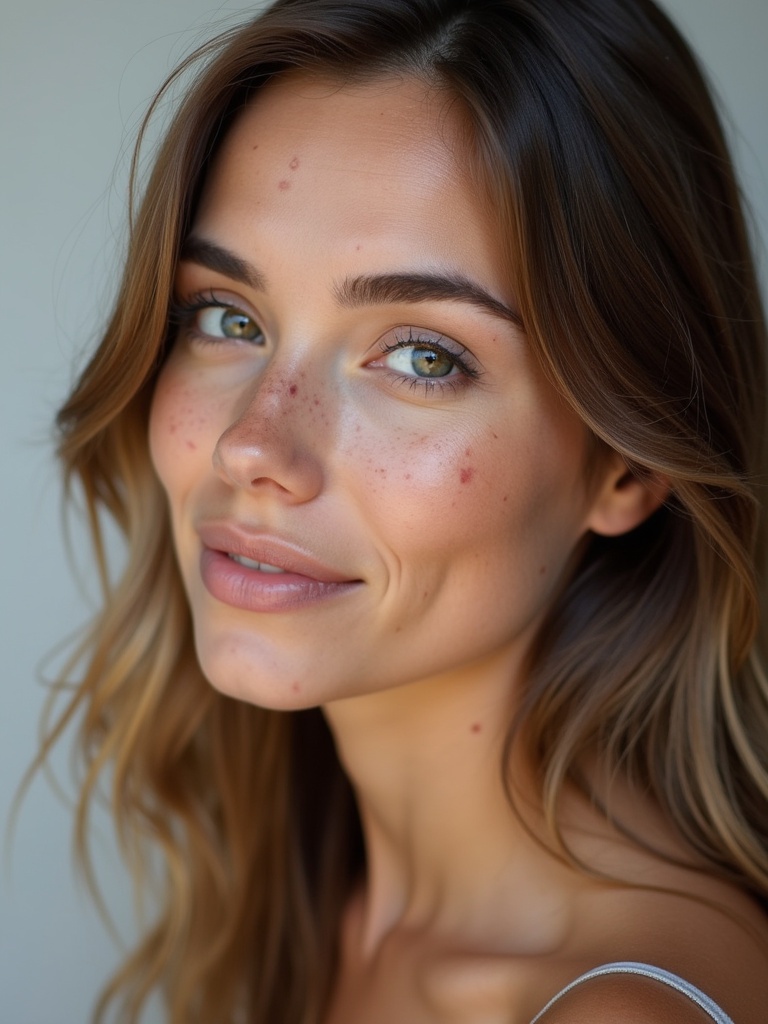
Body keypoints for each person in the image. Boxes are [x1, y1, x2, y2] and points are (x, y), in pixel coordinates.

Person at [45, 0, 768, 1021]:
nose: (255, 444)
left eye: (424, 357)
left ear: (625, 466)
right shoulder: (305, 904)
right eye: (227, 316)